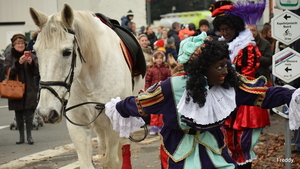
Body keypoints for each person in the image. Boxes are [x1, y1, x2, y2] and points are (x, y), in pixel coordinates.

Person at [104, 32, 297, 169]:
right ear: (201, 68)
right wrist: (116, 107)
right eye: (219, 67)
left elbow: (264, 95)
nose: (225, 70)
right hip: (178, 152)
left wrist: (292, 96)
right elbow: (141, 103)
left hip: (215, 151)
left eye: (225, 65)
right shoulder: (171, 87)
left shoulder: (228, 85)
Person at [211, 1, 269, 168]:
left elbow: (247, 74)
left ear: (236, 27)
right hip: (227, 98)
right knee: (230, 141)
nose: (224, 32)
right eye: (221, 29)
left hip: (245, 100)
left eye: (227, 28)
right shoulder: (222, 44)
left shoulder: (247, 46)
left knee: (243, 142)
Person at [4, 33, 39, 145]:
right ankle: (21, 136)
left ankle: (29, 136)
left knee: (29, 114)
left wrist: (31, 63)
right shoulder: (9, 57)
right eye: (17, 43)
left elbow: (37, 72)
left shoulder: (32, 56)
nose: (20, 45)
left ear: (25, 44)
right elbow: (7, 72)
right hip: (15, 89)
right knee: (18, 114)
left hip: (29, 89)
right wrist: (18, 63)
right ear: (13, 45)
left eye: (22, 43)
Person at [144, 51, 171, 135]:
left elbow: (169, 79)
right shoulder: (151, 70)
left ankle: (160, 125)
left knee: (163, 109)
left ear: (163, 59)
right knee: (154, 108)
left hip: (163, 91)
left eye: (160, 58)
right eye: (157, 58)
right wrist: (146, 90)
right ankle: (153, 125)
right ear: (154, 59)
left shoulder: (166, 70)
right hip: (153, 91)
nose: (159, 60)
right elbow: (148, 80)